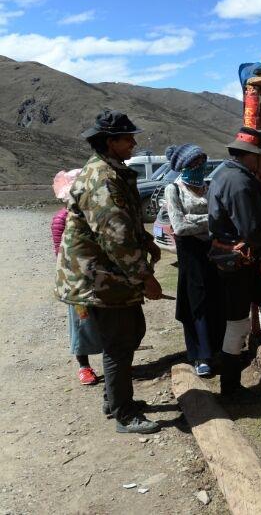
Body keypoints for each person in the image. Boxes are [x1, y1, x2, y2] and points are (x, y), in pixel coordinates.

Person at [56, 110, 164, 434]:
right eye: (127, 138)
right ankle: (124, 414)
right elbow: (115, 235)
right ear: (110, 142)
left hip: (108, 274)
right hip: (99, 277)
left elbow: (126, 221)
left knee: (129, 334)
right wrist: (145, 276)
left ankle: (114, 399)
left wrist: (146, 240)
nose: (133, 142)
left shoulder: (112, 171)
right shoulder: (102, 178)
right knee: (120, 341)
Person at [207, 126, 261, 398]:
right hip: (237, 263)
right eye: (259, 156)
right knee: (238, 323)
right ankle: (230, 388)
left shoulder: (223, 174)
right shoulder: (240, 182)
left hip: (240, 262)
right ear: (250, 155)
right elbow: (252, 232)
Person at [164, 144, 224, 378]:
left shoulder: (208, 188)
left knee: (215, 299)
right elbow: (179, 226)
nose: (200, 168)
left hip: (212, 252)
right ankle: (201, 355)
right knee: (195, 303)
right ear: (183, 167)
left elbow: (221, 219)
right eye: (194, 164)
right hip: (190, 257)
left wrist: (196, 219)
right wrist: (209, 219)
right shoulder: (174, 190)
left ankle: (217, 348)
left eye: (202, 163)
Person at [52, 169, 104, 386]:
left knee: (107, 320)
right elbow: (60, 254)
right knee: (81, 323)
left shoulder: (95, 215)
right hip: (77, 281)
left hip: (101, 277)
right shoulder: (61, 220)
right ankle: (84, 366)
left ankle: (113, 362)